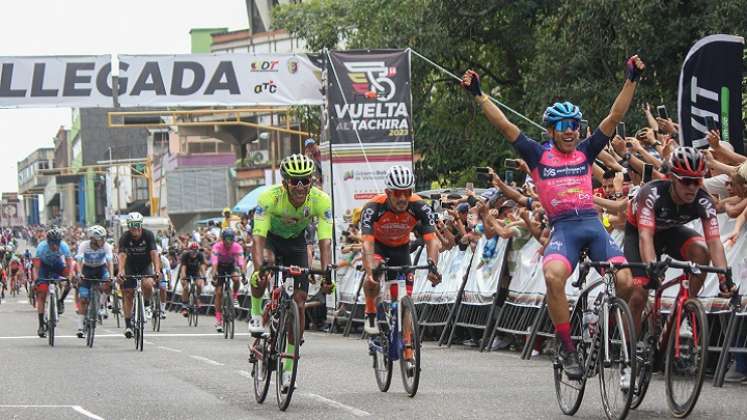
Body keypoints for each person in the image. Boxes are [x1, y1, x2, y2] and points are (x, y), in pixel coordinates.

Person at [461, 55, 645, 381]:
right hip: (563, 230)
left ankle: (608, 327)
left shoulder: (587, 150)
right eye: (562, 126)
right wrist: (479, 94)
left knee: (627, 281)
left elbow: (615, 115)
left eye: (574, 125)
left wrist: (631, 78)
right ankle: (567, 347)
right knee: (553, 277)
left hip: (592, 224)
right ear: (550, 130)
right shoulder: (537, 153)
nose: (570, 131)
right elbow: (505, 125)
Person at [625, 147, 736, 334]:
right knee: (638, 296)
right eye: (686, 181)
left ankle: (685, 306)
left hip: (670, 231)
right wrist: (651, 265)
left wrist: (724, 277)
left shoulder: (703, 200)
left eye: (697, 181)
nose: (693, 187)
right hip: (638, 233)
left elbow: (714, 242)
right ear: (673, 178)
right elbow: (645, 236)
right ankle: (630, 355)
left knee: (702, 252)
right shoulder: (651, 193)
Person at [250, 153, 334, 392]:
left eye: (305, 180)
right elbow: (258, 237)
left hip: (296, 243)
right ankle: (257, 314)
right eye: (294, 181)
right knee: (264, 269)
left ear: (312, 181)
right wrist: (259, 270)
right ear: (285, 181)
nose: (300, 186)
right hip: (270, 241)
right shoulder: (269, 197)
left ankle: (288, 370)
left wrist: (327, 274)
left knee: (298, 302)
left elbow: (325, 241)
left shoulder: (320, 200)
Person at [360, 165, 442, 336]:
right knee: (374, 270)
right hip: (378, 247)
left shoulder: (419, 206)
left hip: (401, 250)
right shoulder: (373, 207)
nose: (403, 198)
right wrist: (369, 271)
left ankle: (407, 348)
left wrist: (432, 265)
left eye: (407, 192)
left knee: (406, 301)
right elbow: (367, 243)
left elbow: (432, 240)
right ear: (388, 192)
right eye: (398, 193)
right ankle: (371, 313)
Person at [117, 212, 161, 339]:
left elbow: (154, 253)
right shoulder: (125, 237)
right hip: (130, 266)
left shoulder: (148, 235)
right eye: (132, 226)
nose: (134, 228)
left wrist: (157, 270)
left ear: (140, 225)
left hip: (144, 265)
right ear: (129, 226)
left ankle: (146, 304)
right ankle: (128, 325)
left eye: (137, 225)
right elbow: (122, 255)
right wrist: (120, 271)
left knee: (147, 284)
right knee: (128, 293)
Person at [32, 227, 73, 338]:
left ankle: (60, 301)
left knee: (69, 282)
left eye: (57, 243)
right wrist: (36, 279)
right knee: (41, 293)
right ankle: (41, 325)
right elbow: (36, 267)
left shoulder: (64, 247)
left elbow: (69, 264)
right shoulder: (41, 247)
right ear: (48, 242)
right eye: (52, 243)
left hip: (57, 265)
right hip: (44, 267)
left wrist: (69, 277)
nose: (55, 246)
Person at [74, 225, 114, 338]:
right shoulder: (84, 245)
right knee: (83, 298)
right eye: (101, 238)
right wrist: (80, 273)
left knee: (109, 283)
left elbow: (109, 262)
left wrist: (111, 276)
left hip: (100, 269)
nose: (103, 240)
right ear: (93, 239)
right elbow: (79, 261)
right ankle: (80, 326)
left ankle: (101, 306)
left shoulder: (106, 246)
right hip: (86, 269)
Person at [210, 227, 244, 332]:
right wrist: (214, 273)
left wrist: (243, 272)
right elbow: (214, 262)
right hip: (219, 267)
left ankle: (234, 297)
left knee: (236, 279)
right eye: (226, 239)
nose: (228, 242)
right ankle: (218, 320)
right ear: (223, 239)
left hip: (230, 267)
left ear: (233, 239)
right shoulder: (217, 246)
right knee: (219, 292)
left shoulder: (237, 247)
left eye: (231, 239)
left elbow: (241, 261)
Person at [180, 241, 207, 317]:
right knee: (186, 287)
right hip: (186, 272)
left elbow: (202, 266)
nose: (194, 252)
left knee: (199, 285)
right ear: (189, 250)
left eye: (196, 250)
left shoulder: (200, 255)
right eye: (192, 250)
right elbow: (183, 267)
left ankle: (197, 297)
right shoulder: (185, 255)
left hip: (195, 272)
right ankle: (184, 306)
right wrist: (184, 277)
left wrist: (204, 276)